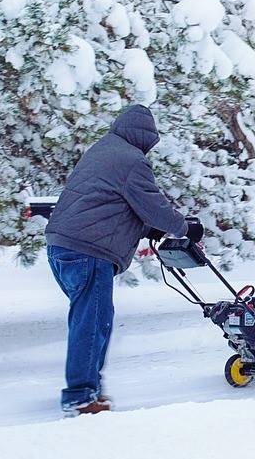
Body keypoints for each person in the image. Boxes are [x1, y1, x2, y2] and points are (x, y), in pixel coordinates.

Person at [43, 104, 201, 415]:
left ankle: (89, 387)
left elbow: (110, 204)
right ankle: (80, 395)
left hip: (61, 247)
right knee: (92, 323)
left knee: (90, 320)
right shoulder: (132, 160)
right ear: (146, 137)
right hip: (88, 251)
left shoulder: (102, 151)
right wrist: (186, 228)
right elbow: (153, 205)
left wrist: (147, 228)